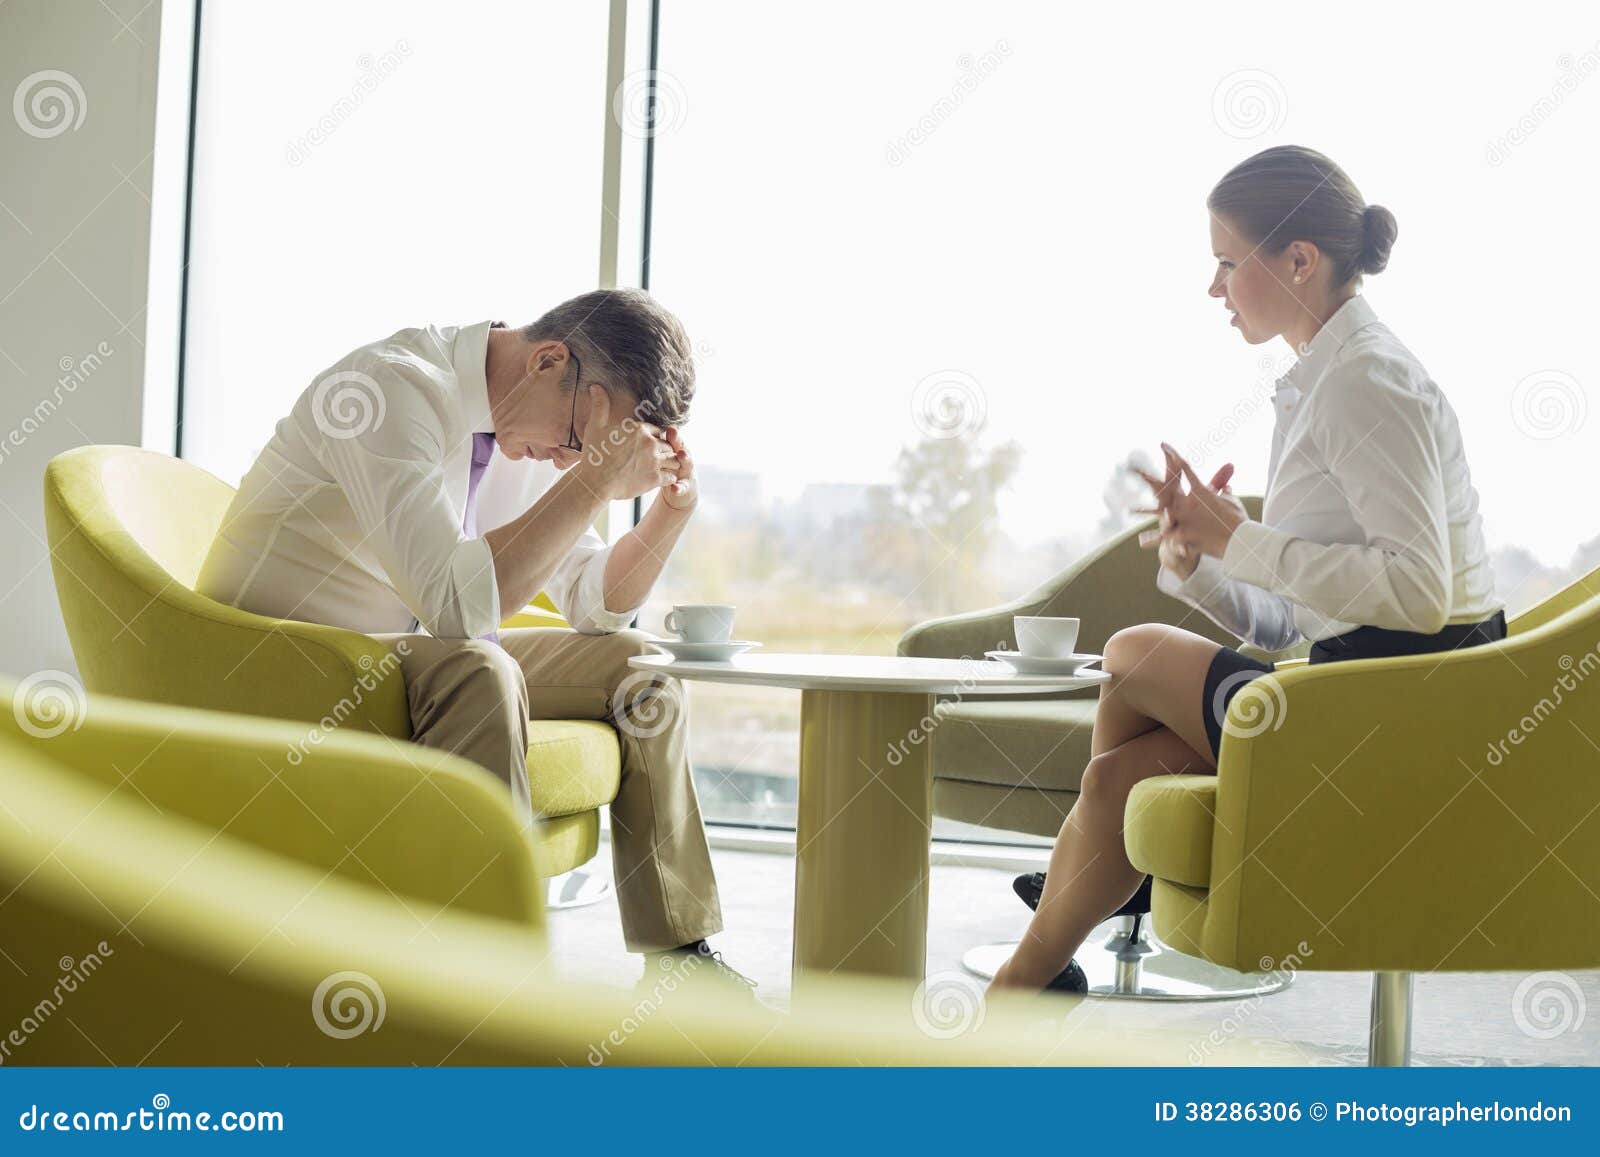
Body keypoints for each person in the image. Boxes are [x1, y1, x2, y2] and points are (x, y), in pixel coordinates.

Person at [988, 145, 1504, 993]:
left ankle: (1085, 898)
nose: (1214, 288)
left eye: (1228, 263)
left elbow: (1420, 595)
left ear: (1299, 259)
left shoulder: (1368, 380)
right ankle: (1053, 946)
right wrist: (1199, 561)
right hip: (1358, 683)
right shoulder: (1327, 375)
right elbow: (1291, 622)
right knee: (1118, 776)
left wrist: (1242, 540)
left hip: (1402, 708)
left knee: (1130, 653)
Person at [196, 288, 752, 990]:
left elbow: (592, 603)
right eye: (580, 440)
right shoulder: (386, 391)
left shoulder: (522, 425)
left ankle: (681, 968)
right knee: (479, 667)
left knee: (637, 665)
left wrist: (669, 514)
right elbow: (455, 604)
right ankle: (492, 992)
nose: (566, 461)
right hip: (286, 659)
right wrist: (590, 481)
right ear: (550, 359)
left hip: (394, 657)